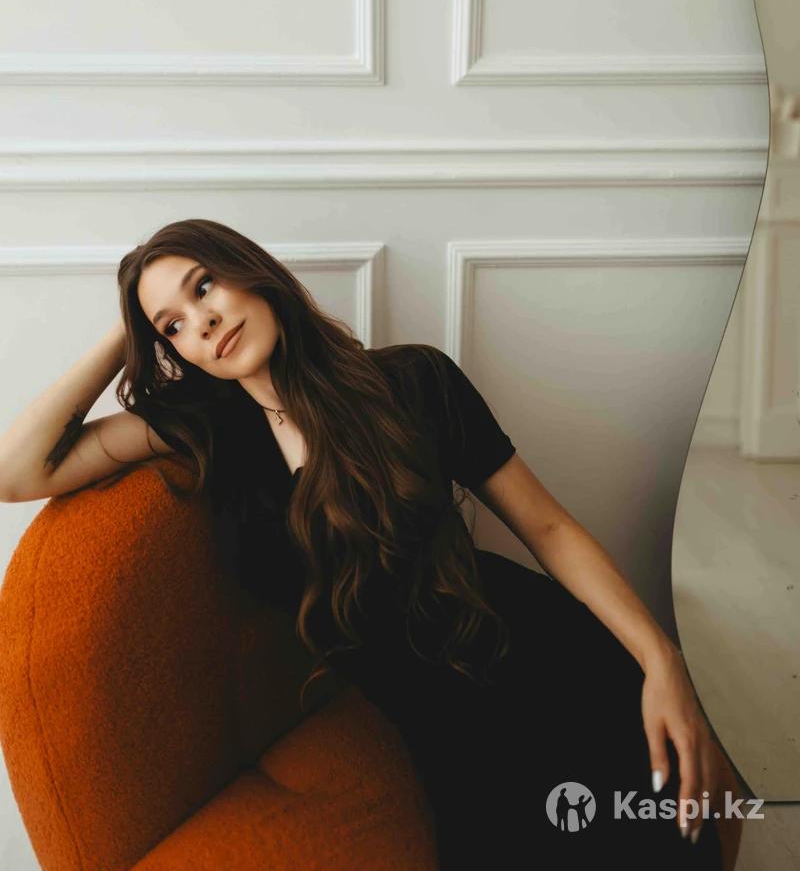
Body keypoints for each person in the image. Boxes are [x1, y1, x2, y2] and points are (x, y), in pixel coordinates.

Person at [0, 218, 744, 871]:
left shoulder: (417, 380)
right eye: (172, 327)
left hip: (544, 660)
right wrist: (128, 321)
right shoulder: (207, 433)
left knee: (664, 838)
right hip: (444, 730)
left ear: (252, 272)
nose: (202, 321)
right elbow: (17, 472)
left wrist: (660, 661)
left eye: (204, 286)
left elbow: (550, 529)